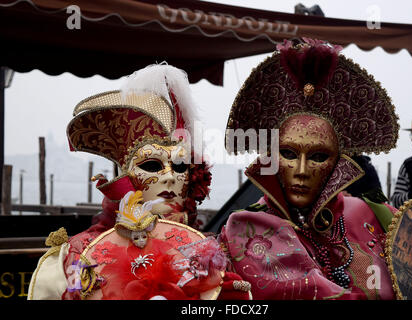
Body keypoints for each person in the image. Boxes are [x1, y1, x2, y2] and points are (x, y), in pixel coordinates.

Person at [28, 64, 250, 300]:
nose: (169, 176)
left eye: (180, 166)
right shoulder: (77, 255)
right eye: (152, 165)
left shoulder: (206, 253)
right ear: (125, 174)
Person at [219, 39, 399, 299]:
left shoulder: (373, 215)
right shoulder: (247, 227)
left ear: (338, 162)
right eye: (289, 154)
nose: (301, 170)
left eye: (317, 156)